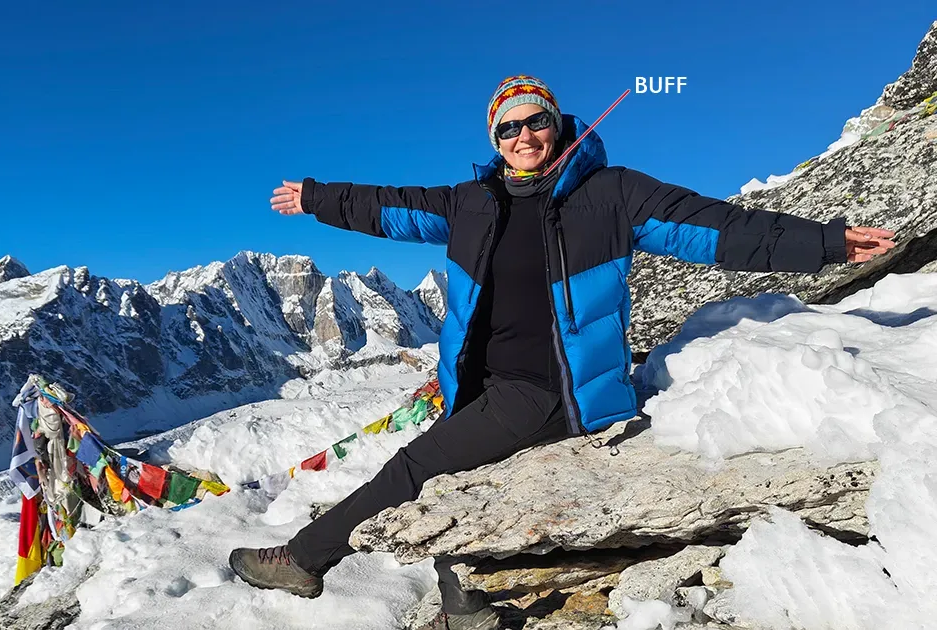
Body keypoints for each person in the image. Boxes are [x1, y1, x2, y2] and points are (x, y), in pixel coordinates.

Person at [229, 75, 896, 630]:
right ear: (495, 141)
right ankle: (465, 604)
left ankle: (304, 561)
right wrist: (317, 198)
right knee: (444, 469)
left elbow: (722, 229)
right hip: (485, 385)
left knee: (412, 467)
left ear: (559, 123)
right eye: (508, 129)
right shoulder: (472, 203)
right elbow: (391, 207)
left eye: (535, 122)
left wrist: (829, 244)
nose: (523, 136)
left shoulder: (613, 196)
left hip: (551, 391)